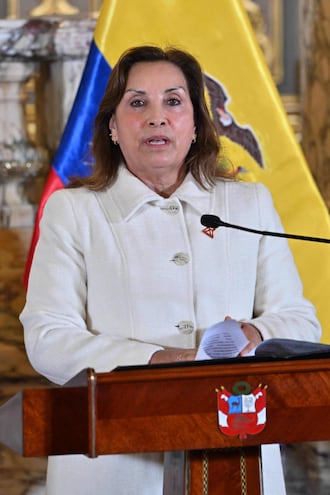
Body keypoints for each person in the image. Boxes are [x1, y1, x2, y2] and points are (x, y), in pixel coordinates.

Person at [20, 45, 321, 495]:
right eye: (137, 103)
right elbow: (48, 339)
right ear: (113, 127)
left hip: (235, 453)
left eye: (174, 101)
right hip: (112, 462)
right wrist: (160, 363)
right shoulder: (73, 211)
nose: (156, 117)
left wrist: (255, 336)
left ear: (196, 125)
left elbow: (300, 320)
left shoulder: (247, 204)